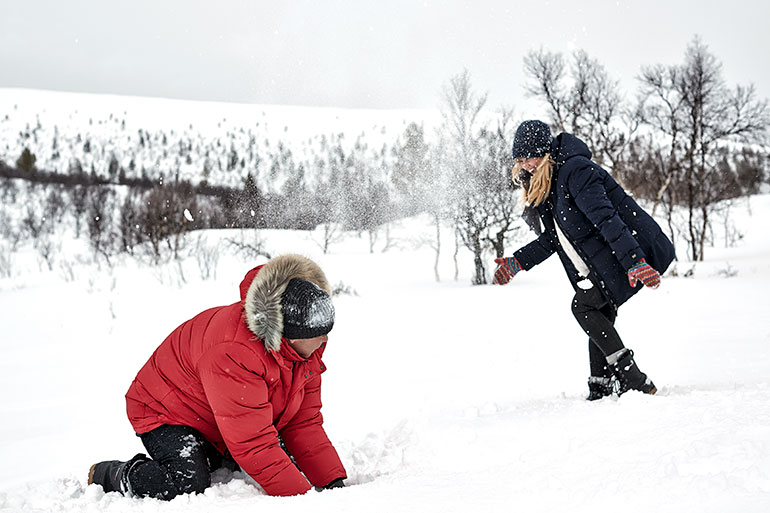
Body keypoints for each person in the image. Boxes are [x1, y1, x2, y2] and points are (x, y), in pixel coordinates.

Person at [88, 254, 347, 498]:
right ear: (288, 332)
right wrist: (306, 502)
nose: (325, 339)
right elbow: (253, 442)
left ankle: (217, 452)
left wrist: (332, 482)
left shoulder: (304, 351)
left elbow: (303, 422)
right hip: (166, 410)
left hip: (218, 410)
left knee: (287, 463)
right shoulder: (235, 352)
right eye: (319, 333)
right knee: (187, 483)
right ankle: (112, 475)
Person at [493, 120, 675, 400]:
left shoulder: (576, 171)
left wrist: (634, 261)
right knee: (599, 313)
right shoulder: (549, 183)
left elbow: (607, 219)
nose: (525, 165)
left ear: (544, 153)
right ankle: (601, 384)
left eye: (528, 157)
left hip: (629, 249)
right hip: (604, 260)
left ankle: (633, 378)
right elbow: (553, 238)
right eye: (519, 160)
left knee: (584, 307)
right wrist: (516, 262)